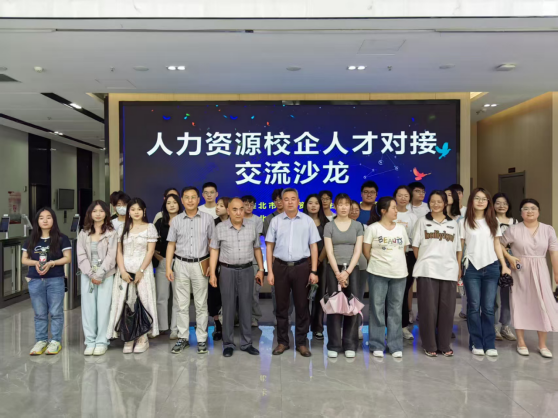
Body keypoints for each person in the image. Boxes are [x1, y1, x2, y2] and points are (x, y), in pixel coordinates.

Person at [266, 188, 321, 357]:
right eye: (286, 199)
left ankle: (302, 343)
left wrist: (313, 271)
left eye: (293, 199)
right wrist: (270, 271)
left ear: (298, 201)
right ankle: (282, 342)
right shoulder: (275, 221)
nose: (289, 202)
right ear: (281, 202)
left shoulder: (307, 221)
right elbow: (269, 246)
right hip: (280, 267)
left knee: (302, 306)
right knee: (281, 307)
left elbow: (313, 247)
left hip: (302, 267)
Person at [501, 199, 558, 358]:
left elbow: (554, 252)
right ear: (521, 213)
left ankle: (542, 344)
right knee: (520, 303)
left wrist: (556, 272)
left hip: (541, 270)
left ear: (538, 211)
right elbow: (499, 244)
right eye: (525, 209)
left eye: (533, 208)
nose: (530, 211)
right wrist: (509, 257)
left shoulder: (548, 229)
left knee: (543, 304)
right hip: (520, 270)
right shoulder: (513, 229)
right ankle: (521, 342)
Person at [209, 198, 265, 358]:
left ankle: (247, 343)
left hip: (247, 270)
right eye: (235, 209)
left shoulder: (252, 227)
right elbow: (214, 250)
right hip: (227, 271)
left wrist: (261, 269)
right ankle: (228, 344)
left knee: (246, 307)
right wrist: (212, 273)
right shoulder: (220, 228)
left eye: (241, 209)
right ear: (228, 211)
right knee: (228, 308)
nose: (239, 212)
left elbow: (257, 248)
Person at [460, 188, 511, 357]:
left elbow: (497, 244)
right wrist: (458, 267)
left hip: (492, 267)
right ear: (471, 201)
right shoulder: (464, 222)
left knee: (489, 308)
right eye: (477, 198)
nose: (481, 201)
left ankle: (489, 344)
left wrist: (503, 265)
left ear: (488, 202)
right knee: (474, 307)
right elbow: (460, 246)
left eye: (484, 199)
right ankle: (476, 342)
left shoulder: (493, 221)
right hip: (472, 267)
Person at [412, 191, 462, 357]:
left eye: (439, 201)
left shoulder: (453, 224)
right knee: (428, 310)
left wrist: (457, 267)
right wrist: (424, 261)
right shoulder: (422, 221)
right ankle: (429, 344)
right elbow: (415, 246)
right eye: (432, 201)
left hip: (448, 270)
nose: (436, 204)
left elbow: (458, 248)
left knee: (447, 310)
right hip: (427, 270)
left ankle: (444, 344)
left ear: (445, 203)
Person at [107, 198, 159, 354]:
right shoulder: (122, 228)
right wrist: (122, 271)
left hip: (143, 271)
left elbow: (150, 251)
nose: (136, 212)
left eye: (139, 209)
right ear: (129, 211)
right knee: (125, 302)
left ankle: (142, 337)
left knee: (143, 301)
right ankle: (128, 336)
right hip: (124, 271)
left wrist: (141, 271)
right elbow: (119, 251)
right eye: (133, 209)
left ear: (144, 211)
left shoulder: (150, 227)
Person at [166, 186, 215, 355]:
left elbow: (212, 244)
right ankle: (183, 337)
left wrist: (212, 266)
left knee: (201, 304)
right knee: (181, 304)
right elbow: (171, 244)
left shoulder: (208, 219)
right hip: (180, 264)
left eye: (193, 197)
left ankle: (201, 338)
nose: (190, 200)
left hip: (201, 264)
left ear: (198, 199)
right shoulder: (176, 220)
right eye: (186, 197)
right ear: (182, 200)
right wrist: (168, 267)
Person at [363, 197, 409, 359]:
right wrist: (378, 263)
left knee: (396, 309)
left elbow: (403, 249)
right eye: (393, 208)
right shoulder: (373, 228)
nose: (396, 211)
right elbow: (366, 250)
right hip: (377, 273)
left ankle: (395, 345)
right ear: (383, 211)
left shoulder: (401, 229)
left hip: (399, 273)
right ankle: (376, 344)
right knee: (377, 308)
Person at [22, 208, 72, 356]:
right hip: (35, 280)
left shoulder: (62, 238)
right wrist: (35, 263)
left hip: (55, 279)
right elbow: (24, 259)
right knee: (39, 313)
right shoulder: (31, 240)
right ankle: (41, 341)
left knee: (56, 312)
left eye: (48, 217)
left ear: (53, 220)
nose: (45, 220)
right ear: (37, 221)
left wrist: (52, 263)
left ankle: (55, 341)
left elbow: (68, 258)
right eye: (41, 218)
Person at [324, 194, 364, 359]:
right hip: (334, 268)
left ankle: (350, 344)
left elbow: (358, 250)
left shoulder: (357, 225)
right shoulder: (329, 226)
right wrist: (337, 273)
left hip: (353, 268)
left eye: (346, 204)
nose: (343, 207)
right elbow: (329, 251)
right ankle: (334, 344)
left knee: (352, 306)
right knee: (334, 306)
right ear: (335, 206)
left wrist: (347, 272)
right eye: (340, 204)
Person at [77, 200, 118, 356]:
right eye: (95, 211)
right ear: (90, 214)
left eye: (101, 211)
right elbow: (81, 255)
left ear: (106, 213)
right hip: (88, 276)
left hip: (106, 276)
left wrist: (99, 274)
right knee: (88, 310)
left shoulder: (112, 233)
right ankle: (90, 341)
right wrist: (90, 274)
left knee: (103, 309)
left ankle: (101, 342)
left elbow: (111, 256)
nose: (98, 214)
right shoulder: (83, 233)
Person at [154, 193, 182, 340]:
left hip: (180, 262)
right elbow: (152, 242)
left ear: (179, 204)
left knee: (178, 298)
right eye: (168, 203)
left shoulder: (184, 220)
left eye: (174, 202)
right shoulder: (160, 222)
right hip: (163, 262)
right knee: (161, 297)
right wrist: (155, 255)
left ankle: (175, 329)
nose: (171, 205)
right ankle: (162, 327)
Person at [393, 186, 419, 340]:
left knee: (403, 291)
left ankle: (403, 326)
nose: (403, 198)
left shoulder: (413, 217)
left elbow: (416, 239)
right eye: (400, 195)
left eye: (406, 196)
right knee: (392, 292)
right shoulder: (390, 213)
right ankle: (390, 327)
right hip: (391, 255)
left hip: (408, 256)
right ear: (395, 196)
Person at [303, 194, 329, 340]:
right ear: (305, 205)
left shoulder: (327, 223)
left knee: (320, 295)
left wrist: (318, 260)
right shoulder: (300, 221)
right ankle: (303, 325)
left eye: (316, 203)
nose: (313, 206)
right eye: (310, 203)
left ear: (320, 205)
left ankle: (318, 327)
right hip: (303, 262)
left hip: (322, 262)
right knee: (303, 296)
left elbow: (327, 245)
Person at [492, 193, 518, 342]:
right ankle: (494, 326)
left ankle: (506, 326)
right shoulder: (490, 220)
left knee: (507, 295)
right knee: (494, 296)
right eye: (498, 203)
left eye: (504, 203)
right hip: (493, 260)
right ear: (493, 205)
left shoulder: (515, 222)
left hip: (511, 260)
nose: (501, 206)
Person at [242, 195, 265, 327]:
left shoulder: (257, 220)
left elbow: (255, 241)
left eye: (251, 204)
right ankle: (238, 318)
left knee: (253, 293)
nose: (249, 207)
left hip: (253, 260)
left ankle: (254, 317)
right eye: (246, 204)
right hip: (238, 260)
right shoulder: (236, 218)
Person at [210, 197, 230, 341]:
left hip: (229, 264)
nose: (217, 207)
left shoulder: (235, 223)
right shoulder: (213, 223)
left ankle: (228, 325)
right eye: (217, 205)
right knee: (214, 296)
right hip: (215, 264)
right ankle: (218, 325)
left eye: (221, 205)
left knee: (229, 297)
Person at [349, 200, 369, 340]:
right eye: (352, 209)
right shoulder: (337, 225)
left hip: (361, 266)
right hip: (343, 266)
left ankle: (357, 326)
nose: (354, 212)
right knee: (344, 298)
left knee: (358, 297)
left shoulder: (364, 227)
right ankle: (344, 327)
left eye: (357, 210)